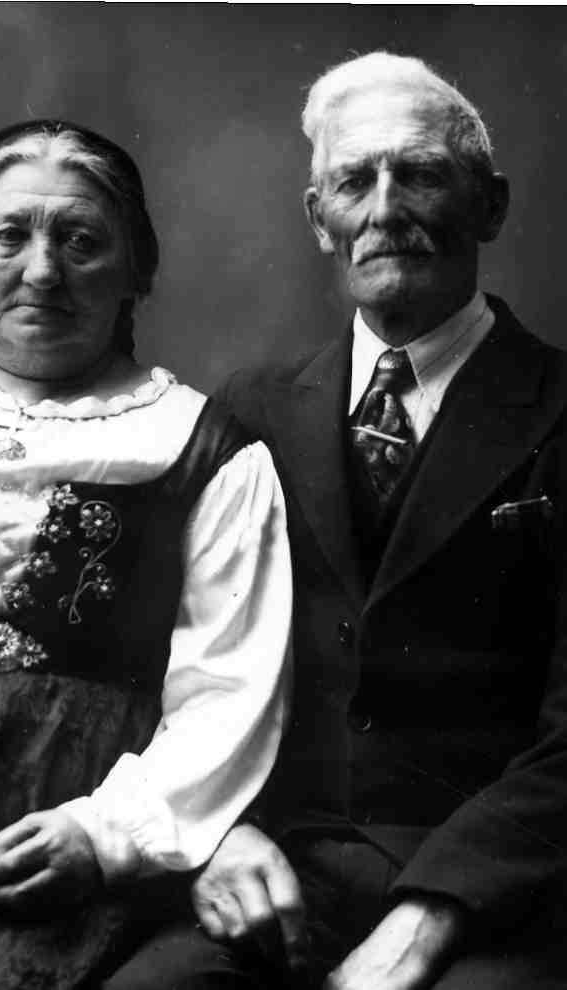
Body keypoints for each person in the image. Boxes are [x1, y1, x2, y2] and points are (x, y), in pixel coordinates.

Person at [0, 119, 292, 990]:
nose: (42, 270)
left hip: (56, 867)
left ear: (138, 272)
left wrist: (106, 836)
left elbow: (228, 694)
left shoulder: (205, 452)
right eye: (9, 236)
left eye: (81, 242)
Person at [193, 52, 567, 989]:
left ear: (491, 206)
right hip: (281, 871)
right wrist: (217, 833)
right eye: (354, 181)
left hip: (503, 893)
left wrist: (434, 916)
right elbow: (184, 669)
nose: (386, 208)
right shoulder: (250, 409)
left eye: (423, 174)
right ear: (319, 219)